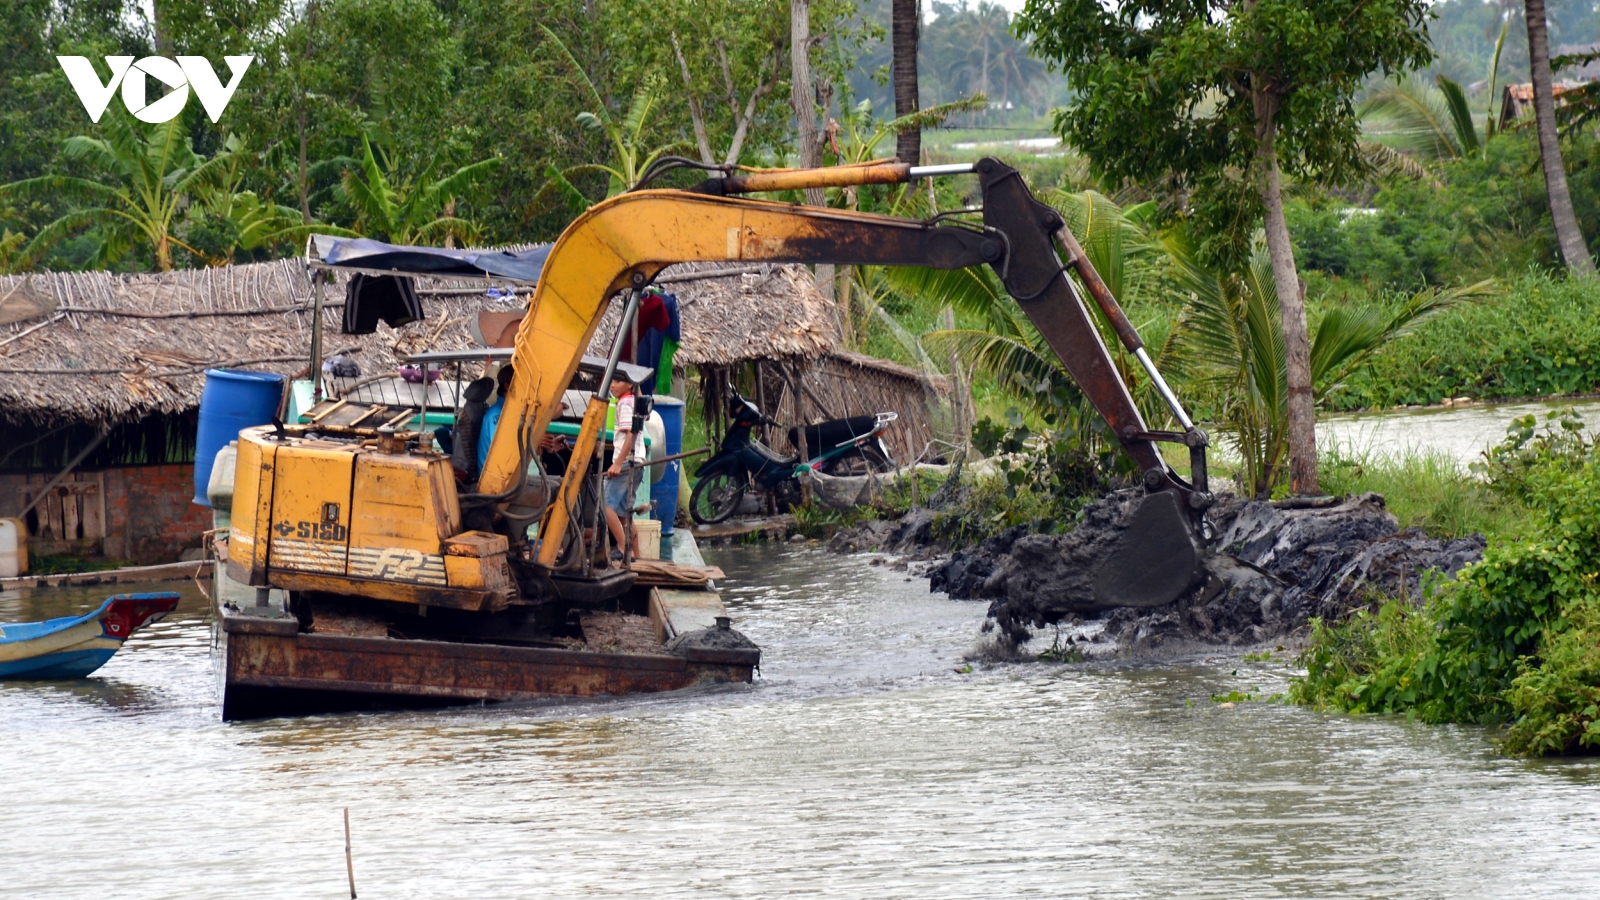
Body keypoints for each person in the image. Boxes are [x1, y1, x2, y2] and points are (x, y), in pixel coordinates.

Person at [603, 373, 646, 561]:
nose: (612, 385)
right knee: (624, 513)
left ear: (630, 384)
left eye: (617, 381)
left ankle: (622, 547)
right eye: (611, 381)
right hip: (637, 462)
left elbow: (631, 432)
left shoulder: (625, 403)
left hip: (628, 462)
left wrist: (618, 462)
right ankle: (637, 554)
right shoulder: (632, 402)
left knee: (604, 505)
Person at [476, 364, 515, 476]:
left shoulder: (509, 412)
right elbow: (502, 451)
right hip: (494, 479)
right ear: (507, 386)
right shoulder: (497, 415)